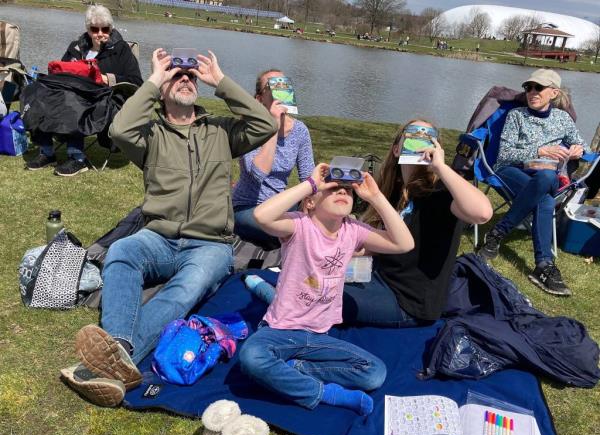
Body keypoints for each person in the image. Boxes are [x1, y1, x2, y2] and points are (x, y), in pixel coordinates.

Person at [61, 47, 277, 407]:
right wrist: (153, 79)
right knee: (122, 252)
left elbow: (265, 124)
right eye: (176, 76)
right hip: (157, 237)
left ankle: (113, 361)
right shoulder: (150, 136)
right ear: (163, 88)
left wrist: (220, 81)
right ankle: (123, 350)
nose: (185, 80)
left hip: (210, 244)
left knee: (183, 290)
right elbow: (119, 128)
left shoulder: (221, 131)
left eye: (190, 77)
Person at [239, 163, 415, 416]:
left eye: (348, 190)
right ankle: (324, 393)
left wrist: (376, 197)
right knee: (251, 357)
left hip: (320, 335)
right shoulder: (299, 225)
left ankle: (295, 368)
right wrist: (309, 184)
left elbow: (404, 243)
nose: (342, 192)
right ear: (310, 202)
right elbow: (261, 216)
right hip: (282, 329)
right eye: (333, 188)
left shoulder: (354, 231)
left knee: (374, 373)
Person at [342, 120, 492, 326]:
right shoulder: (395, 189)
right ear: (396, 149)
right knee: (310, 284)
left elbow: (482, 213)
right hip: (380, 279)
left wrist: (440, 167)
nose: (420, 140)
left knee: (321, 300)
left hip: (409, 302)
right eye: (412, 135)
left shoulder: (442, 192)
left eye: (428, 137)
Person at [478, 69, 589, 296]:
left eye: (539, 88)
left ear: (554, 92)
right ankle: (544, 265)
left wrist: (579, 150)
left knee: (546, 182)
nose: (532, 92)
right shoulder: (516, 115)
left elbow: (582, 145)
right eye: (528, 87)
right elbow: (505, 154)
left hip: (544, 177)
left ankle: (498, 234)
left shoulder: (562, 119)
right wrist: (539, 150)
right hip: (511, 170)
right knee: (546, 191)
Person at [26, 4, 142, 176]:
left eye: (105, 29)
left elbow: (137, 81)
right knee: (40, 93)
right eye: (95, 29)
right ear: (88, 29)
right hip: (72, 94)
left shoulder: (121, 50)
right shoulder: (76, 47)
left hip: (106, 100)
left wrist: (106, 78)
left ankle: (77, 158)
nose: (100, 33)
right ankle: (47, 151)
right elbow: (62, 70)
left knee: (75, 100)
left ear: (111, 29)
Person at [232, 69, 314, 249]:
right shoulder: (250, 127)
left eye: (284, 83)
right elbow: (258, 174)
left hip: (281, 205)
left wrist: (311, 206)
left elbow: (309, 177)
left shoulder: (300, 131)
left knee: (320, 224)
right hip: (248, 207)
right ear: (260, 98)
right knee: (289, 232)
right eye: (272, 85)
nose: (280, 89)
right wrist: (273, 127)